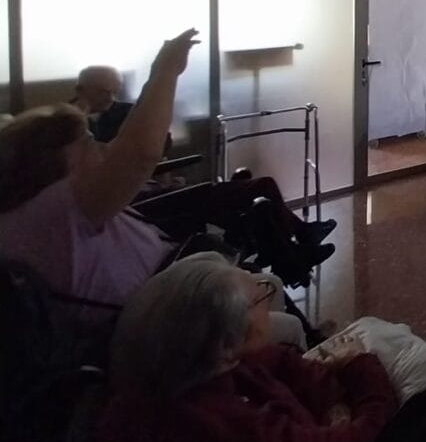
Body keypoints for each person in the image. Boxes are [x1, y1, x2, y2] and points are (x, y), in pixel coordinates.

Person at [0, 30, 333, 311]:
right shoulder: (59, 209)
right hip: (163, 282)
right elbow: (139, 153)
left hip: (153, 223)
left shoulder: (57, 201)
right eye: (86, 143)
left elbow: (147, 148)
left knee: (253, 199)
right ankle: (297, 266)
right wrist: (166, 70)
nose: (96, 148)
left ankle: (296, 262)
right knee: (252, 199)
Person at [97, 253, 399, 442]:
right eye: (259, 298)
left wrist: (332, 401)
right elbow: (370, 426)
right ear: (226, 346)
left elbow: (283, 361)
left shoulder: (192, 365)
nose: (269, 301)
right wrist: (360, 366)